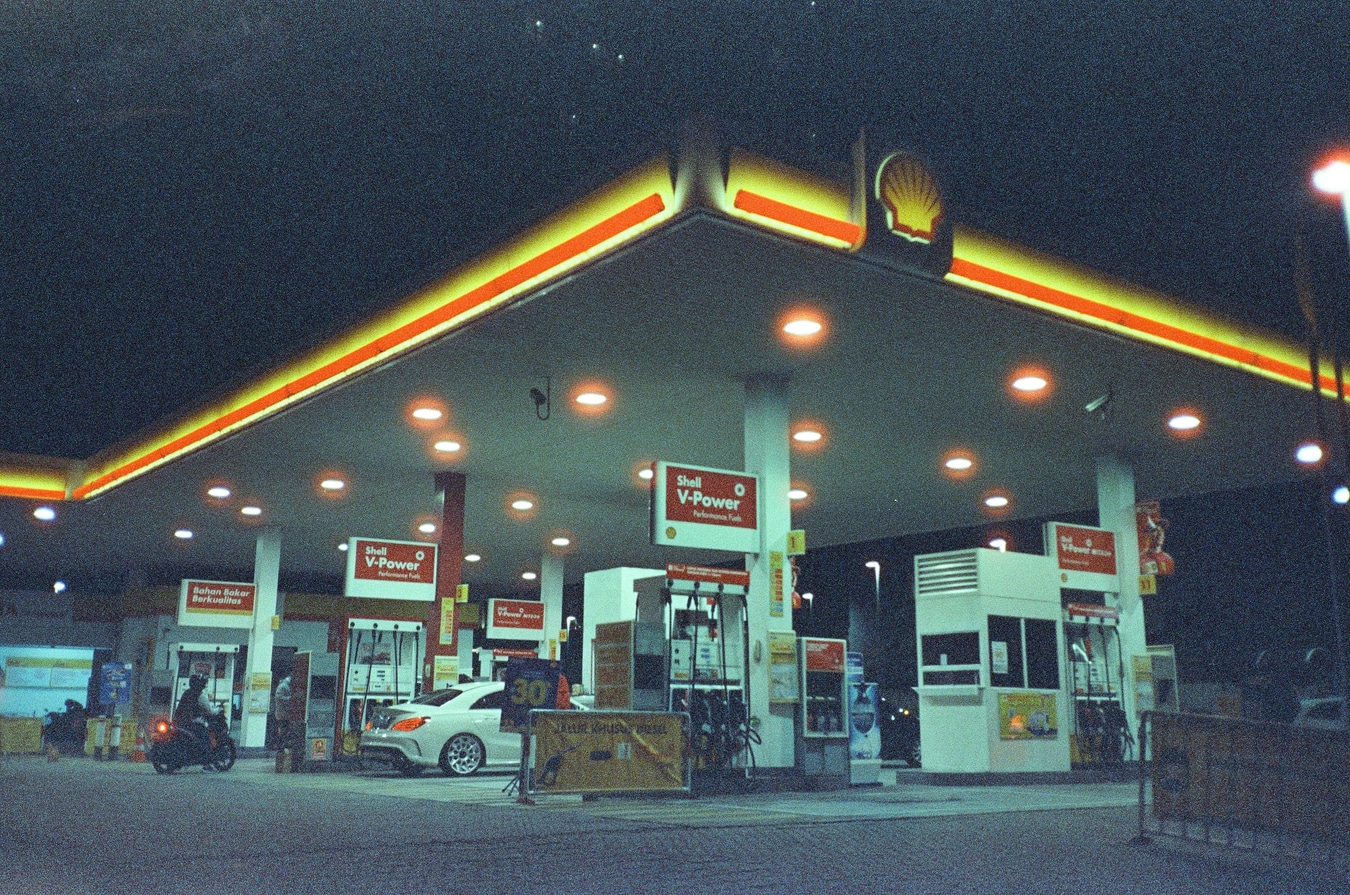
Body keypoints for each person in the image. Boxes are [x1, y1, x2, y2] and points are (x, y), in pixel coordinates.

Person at [173, 674, 216, 767]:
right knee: (206, 740)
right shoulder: (199, 695)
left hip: (180, 722)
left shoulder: (187, 693)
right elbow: (208, 710)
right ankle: (206, 765)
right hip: (193, 722)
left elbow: (179, 709)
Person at [272, 673, 293, 751]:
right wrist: (290, 698)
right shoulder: (283, 686)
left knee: (284, 730)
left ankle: (282, 745)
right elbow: (278, 697)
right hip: (282, 714)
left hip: (284, 714)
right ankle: (280, 746)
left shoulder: (285, 685)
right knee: (283, 730)